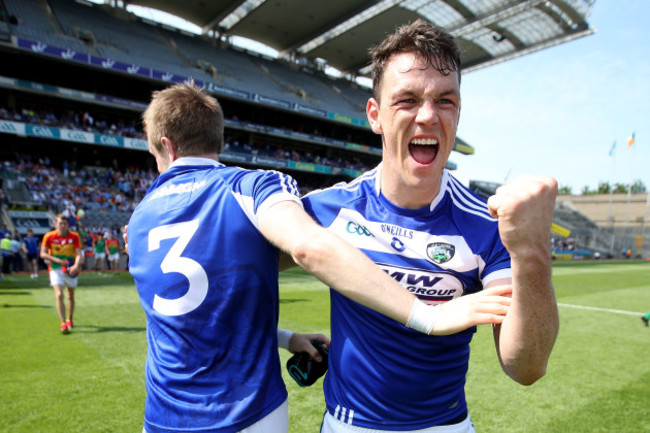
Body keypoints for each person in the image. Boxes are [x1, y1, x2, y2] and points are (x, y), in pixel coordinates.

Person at [127, 82, 511, 433]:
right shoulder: (251, 186)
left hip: (162, 415)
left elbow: (197, 308)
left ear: (167, 147)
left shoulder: (140, 220)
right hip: (245, 414)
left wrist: (286, 338)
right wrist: (429, 314)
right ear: (217, 138)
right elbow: (307, 245)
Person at [300, 20, 559, 433]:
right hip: (348, 425)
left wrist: (532, 252)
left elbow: (525, 367)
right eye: (406, 100)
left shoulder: (484, 224)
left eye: (445, 101)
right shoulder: (330, 209)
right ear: (375, 115)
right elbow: (234, 270)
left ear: (458, 112)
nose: (427, 115)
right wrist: (283, 337)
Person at [40, 214, 82, 334]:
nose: (62, 226)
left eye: (64, 224)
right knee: (59, 295)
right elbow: (43, 254)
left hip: (70, 269)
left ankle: (70, 319)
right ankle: (63, 322)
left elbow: (78, 253)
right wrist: (57, 260)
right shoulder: (49, 236)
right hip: (55, 268)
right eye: (60, 223)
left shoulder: (74, 236)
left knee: (70, 296)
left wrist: (76, 265)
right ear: (56, 224)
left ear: (67, 224)